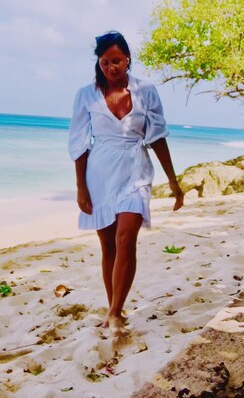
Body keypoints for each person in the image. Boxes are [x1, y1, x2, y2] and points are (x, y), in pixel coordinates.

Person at [68, 31, 184, 336]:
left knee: (125, 240)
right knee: (107, 246)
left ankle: (116, 312)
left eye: (116, 61)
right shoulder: (86, 95)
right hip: (100, 173)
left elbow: (157, 137)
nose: (111, 68)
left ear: (128, 58)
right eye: (105, 62)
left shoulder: (146, 91)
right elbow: (79, 143)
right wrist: (81, 186)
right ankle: (113, 308)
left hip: (135, 170)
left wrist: (174, 182)